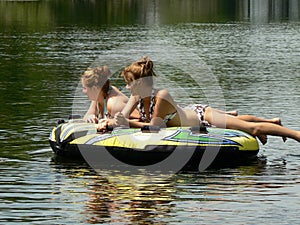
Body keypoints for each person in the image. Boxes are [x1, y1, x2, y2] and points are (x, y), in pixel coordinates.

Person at [104, 56, 300, 145]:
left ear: (140, 83)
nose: (127, 88)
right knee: (239, 122)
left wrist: (124, 122)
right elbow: (121, 119)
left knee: (252, 130)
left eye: (129, 83)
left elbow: (154, 128)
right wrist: (108, 122)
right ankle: (272, 122)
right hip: (187, 115)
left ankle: (295, 134)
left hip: (200, 116)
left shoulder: (161, 96)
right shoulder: (136, 98)